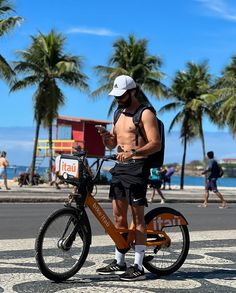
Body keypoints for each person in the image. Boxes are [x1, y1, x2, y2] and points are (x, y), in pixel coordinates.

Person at [96, 75, 161, 281]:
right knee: (118, 217)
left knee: (138, 218)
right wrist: (107, 138)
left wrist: (133, 152)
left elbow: (155, 144)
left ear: (132, 92)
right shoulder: (117, 113)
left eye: (122, 95)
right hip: (120, 168)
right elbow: (113, 144)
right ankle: (120, 261)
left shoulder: (145, 113)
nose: (118, 99)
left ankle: (139, 266)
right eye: (116, 96)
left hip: (138, 167)